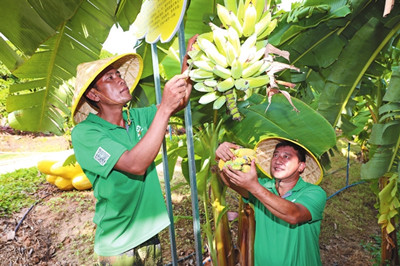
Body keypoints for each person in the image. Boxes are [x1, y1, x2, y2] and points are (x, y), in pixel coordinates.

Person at [70, 36, 196, 265]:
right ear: (93, 95)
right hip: (118, 245)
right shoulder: (86, 133)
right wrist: (164, 108)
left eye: (119, 75)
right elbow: (135, 165)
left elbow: (180, 101)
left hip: (149, 234)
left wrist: (190, 62)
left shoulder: (136, 116)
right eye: (110, 78)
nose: (120, 80)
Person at [216, 137, 326, 265]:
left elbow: (294, 215)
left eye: (286, 157)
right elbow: (230, 182)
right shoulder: (263, 186)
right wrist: (221, 158)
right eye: (275, 155)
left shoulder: (314, 192)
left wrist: (254, 187)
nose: (278, 160)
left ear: (301, 166)